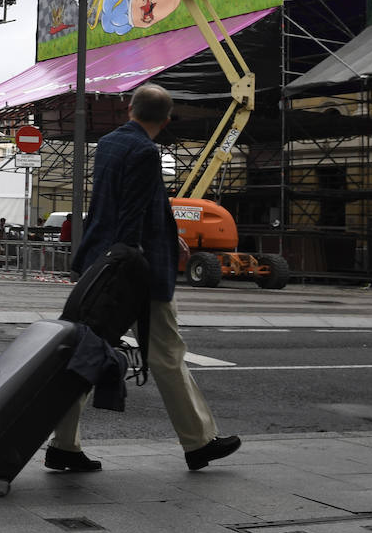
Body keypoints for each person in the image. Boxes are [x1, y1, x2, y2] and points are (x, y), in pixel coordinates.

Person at [47, 83, 241, 474]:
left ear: (128, 110)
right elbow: (133, 213)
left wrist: (171, 238)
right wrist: (136, 261)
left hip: (101, 262)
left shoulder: (111, 144)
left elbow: (127, 202)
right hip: (136, 271)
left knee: (87, 352)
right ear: (166, 120)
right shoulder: (145, 151)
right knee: (167, 354)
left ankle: (63, 444)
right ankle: (199, 441)